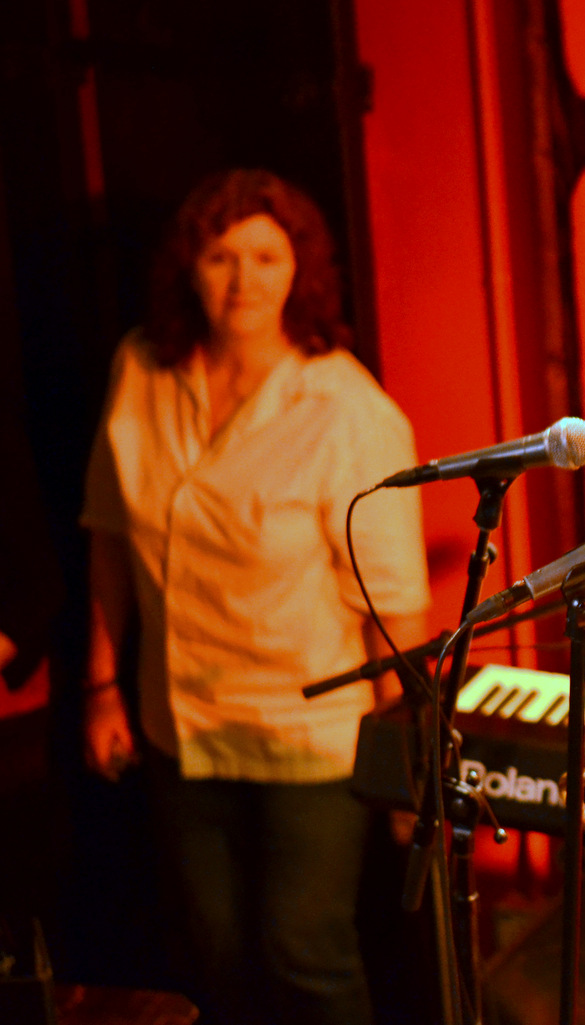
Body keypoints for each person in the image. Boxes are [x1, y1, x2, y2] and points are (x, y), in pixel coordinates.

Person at [79, 169, 431, 1025]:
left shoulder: (347, 407)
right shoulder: (142, 368)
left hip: (308, 733)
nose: (244, 279)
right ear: (188, 268)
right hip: (179, 722)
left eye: (267, 256)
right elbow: (112, 535)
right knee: (214, 956)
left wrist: (408, 762)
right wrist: (99, 687)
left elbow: (394, 605)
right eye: (221, 254)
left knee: (302, 952)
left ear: (300, 269)